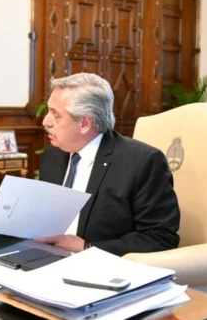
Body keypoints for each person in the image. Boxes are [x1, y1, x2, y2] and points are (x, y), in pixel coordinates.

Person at [34, 73, 180, 256]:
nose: (45, 121)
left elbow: (160, 238)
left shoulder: (142, 162)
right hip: (44, 256)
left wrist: (86, 247)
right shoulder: (53, 154)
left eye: (56, 115)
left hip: (101, 267)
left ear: (85, 123)